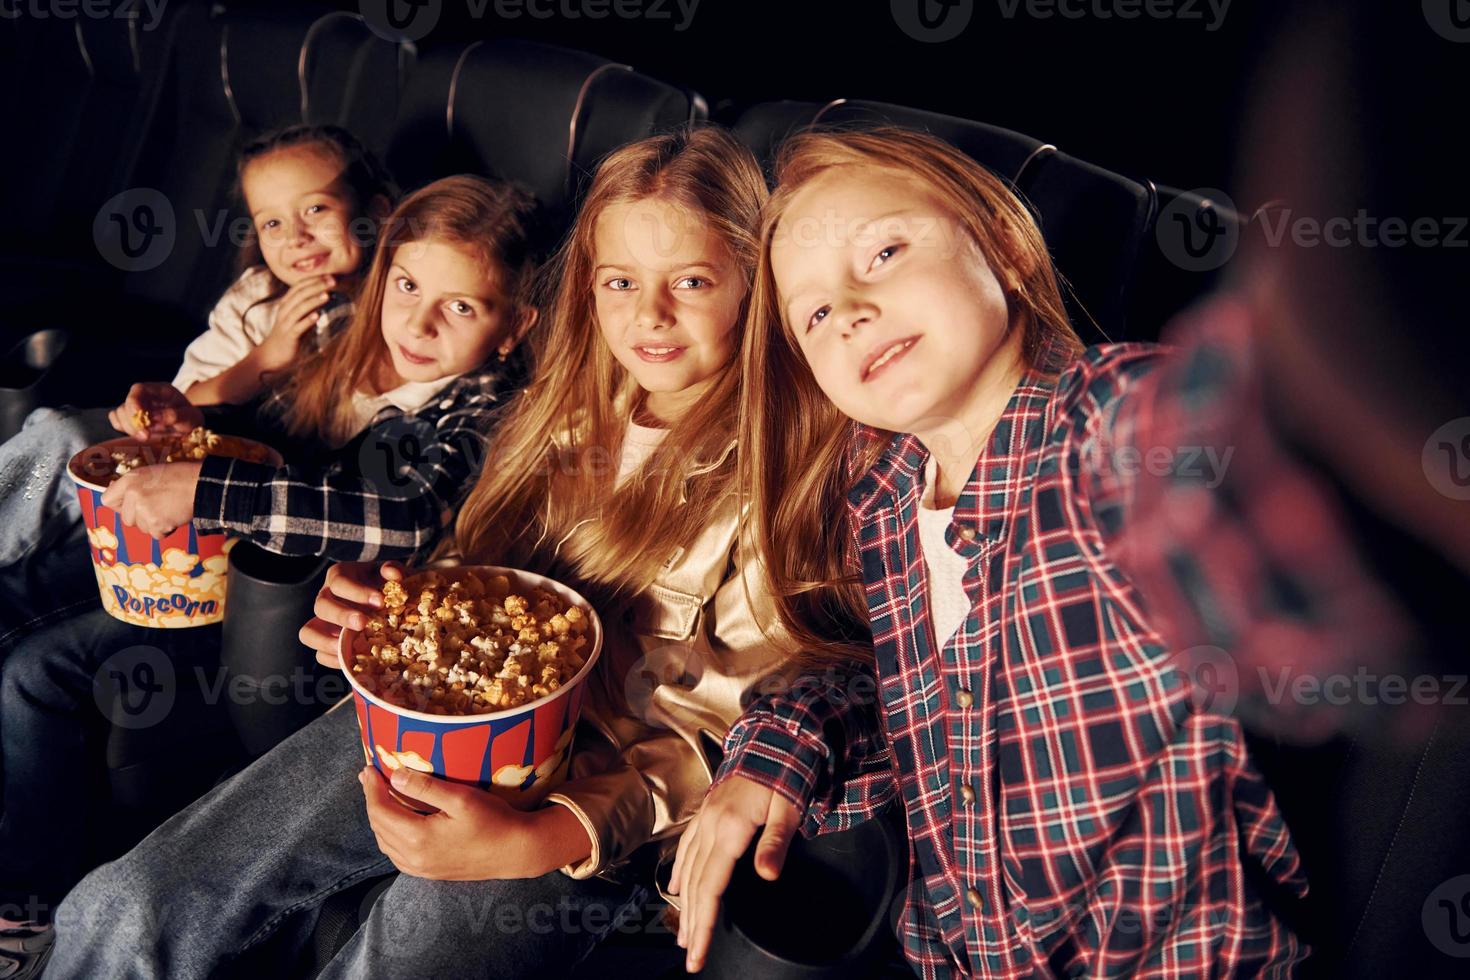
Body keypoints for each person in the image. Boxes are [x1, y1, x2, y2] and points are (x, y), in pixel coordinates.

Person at [46, 127, 802, 980]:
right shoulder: (558, 407)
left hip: (591, 802)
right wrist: (397, 605)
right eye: (620, 281)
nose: (648, 316)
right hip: (418, 731)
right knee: (130, 904)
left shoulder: (784, 471)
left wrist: (550, 834)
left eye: (692, 282)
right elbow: (469, 563)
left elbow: (735, 733)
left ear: (754, 283)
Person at [671, 128, 1308, 977]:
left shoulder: (1112, 429)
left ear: (1004, 245)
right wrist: (783, 748)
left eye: (886, 252)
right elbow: (925, 705)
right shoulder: (888, 498)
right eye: (815, 313)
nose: (852, 309)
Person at [0, 174, 539, 966]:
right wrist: (194, 418)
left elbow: (400, 514)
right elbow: (265, 437)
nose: (418, 322)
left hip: (284, 625)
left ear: (512, 326)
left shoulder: (481, 406)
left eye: (461, 306)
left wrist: (205, 488)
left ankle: (25, 912)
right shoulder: (348, 336)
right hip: (196, 561)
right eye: (408, 285)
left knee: (37, 672)